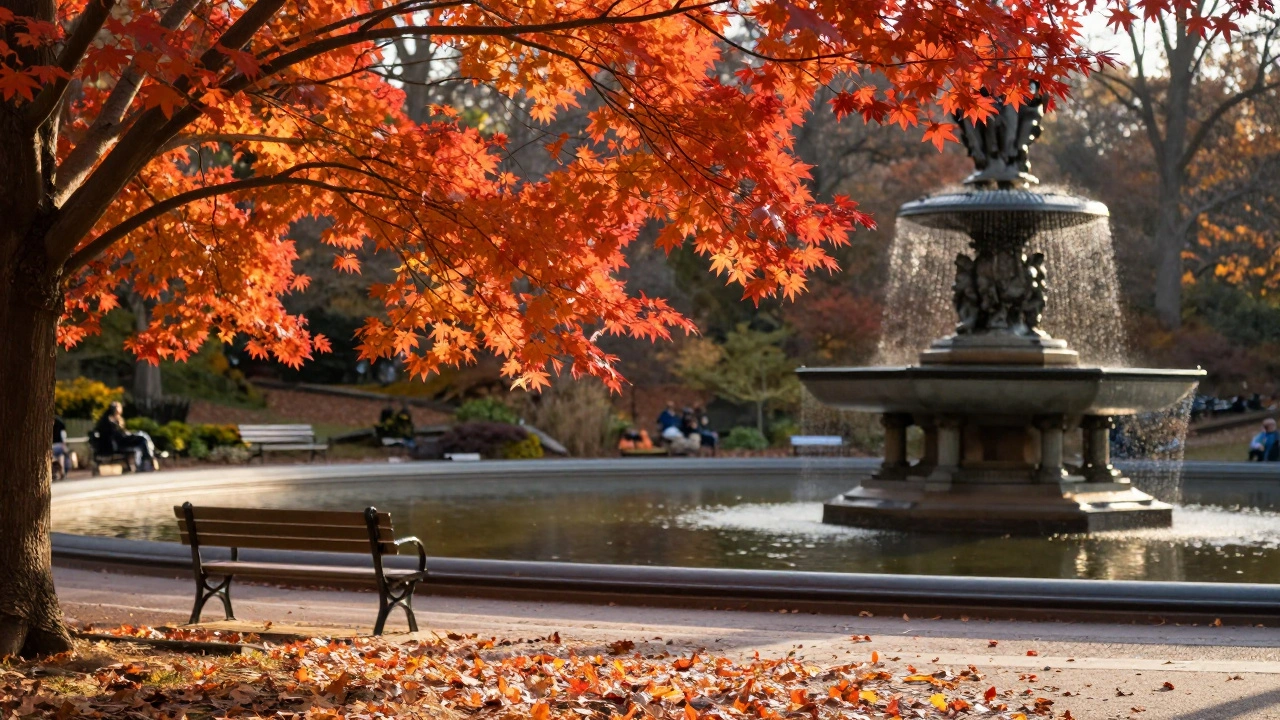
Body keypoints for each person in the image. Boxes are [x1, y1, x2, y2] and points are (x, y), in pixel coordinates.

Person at [94, 402, 160, 471]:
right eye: (119, 407)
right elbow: (119, 435)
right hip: (119, 444)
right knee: (143, 439)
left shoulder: (109, 420)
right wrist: (127, 433)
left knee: (143, 436)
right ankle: (148, 459)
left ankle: (149, 457)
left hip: (120, 442)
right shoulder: (111, 421)